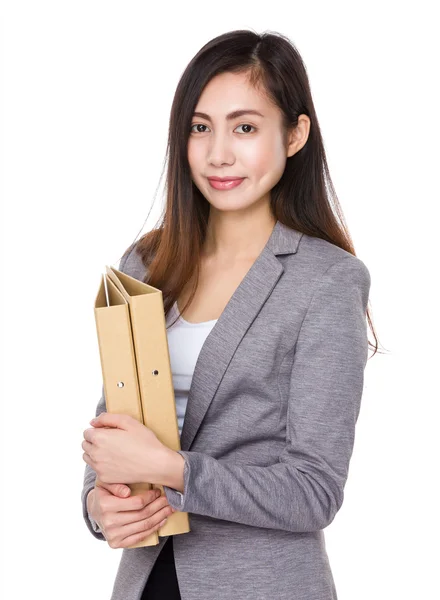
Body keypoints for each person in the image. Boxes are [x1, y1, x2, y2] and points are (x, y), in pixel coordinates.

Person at [81, 28, 380, 600]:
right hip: (146, 581)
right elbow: (113, 426)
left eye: (245, 127)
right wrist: (100, 503)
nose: (219, 153)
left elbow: (314, 491)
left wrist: (174, 471)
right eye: (200, 127)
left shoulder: (327, 281)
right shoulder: (147, 263)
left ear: (295, 135)